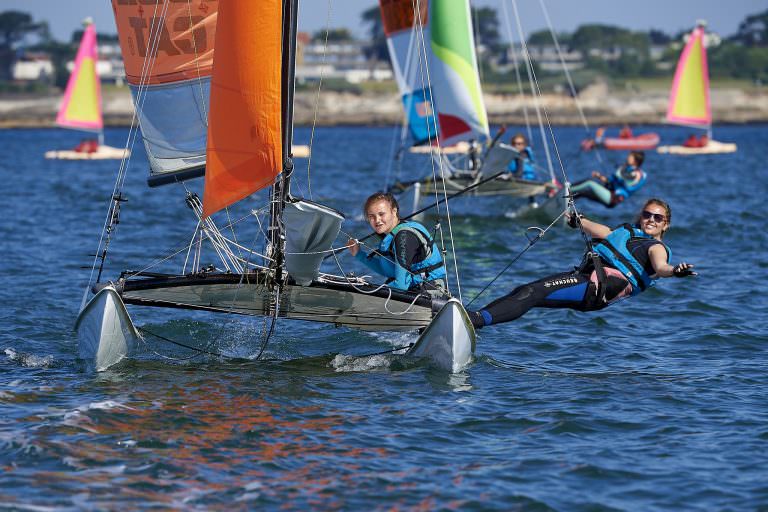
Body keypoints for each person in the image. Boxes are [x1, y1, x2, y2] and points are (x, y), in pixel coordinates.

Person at [468, 198, 695, 327]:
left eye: (658, 218)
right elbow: (603, 231)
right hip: (586, 280)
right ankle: (476, 318)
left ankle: (476, 320)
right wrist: (578, 220)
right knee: (526, 293)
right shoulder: (626, 232)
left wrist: (676, 271)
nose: (651, 220)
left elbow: (661, 268)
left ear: (666, 225)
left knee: (531, 292)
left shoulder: (656, 248)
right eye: (647, 214)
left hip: (597, 288)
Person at [346, 192, 448, 295]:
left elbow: (401, 286)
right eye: (371, 216)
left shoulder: (403, 237)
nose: (377, 220)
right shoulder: (391, 235)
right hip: (413, 291)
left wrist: (368, 293)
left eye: (381, 214)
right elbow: (386, 270)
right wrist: (358, 254)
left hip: (429, 293)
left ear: (394, 211)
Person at [569, 151, 647, 208]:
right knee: (583, 192)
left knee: (589, 183)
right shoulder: (626, 169)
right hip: (609, 194)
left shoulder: (639, 174)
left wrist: (620, 172)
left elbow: (628, 183)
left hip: (613, 198)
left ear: (635, 161)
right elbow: (609, 180)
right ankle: (566, 203)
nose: (627, 158)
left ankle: (568, 190)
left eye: (630, 157)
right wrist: (598, 176)